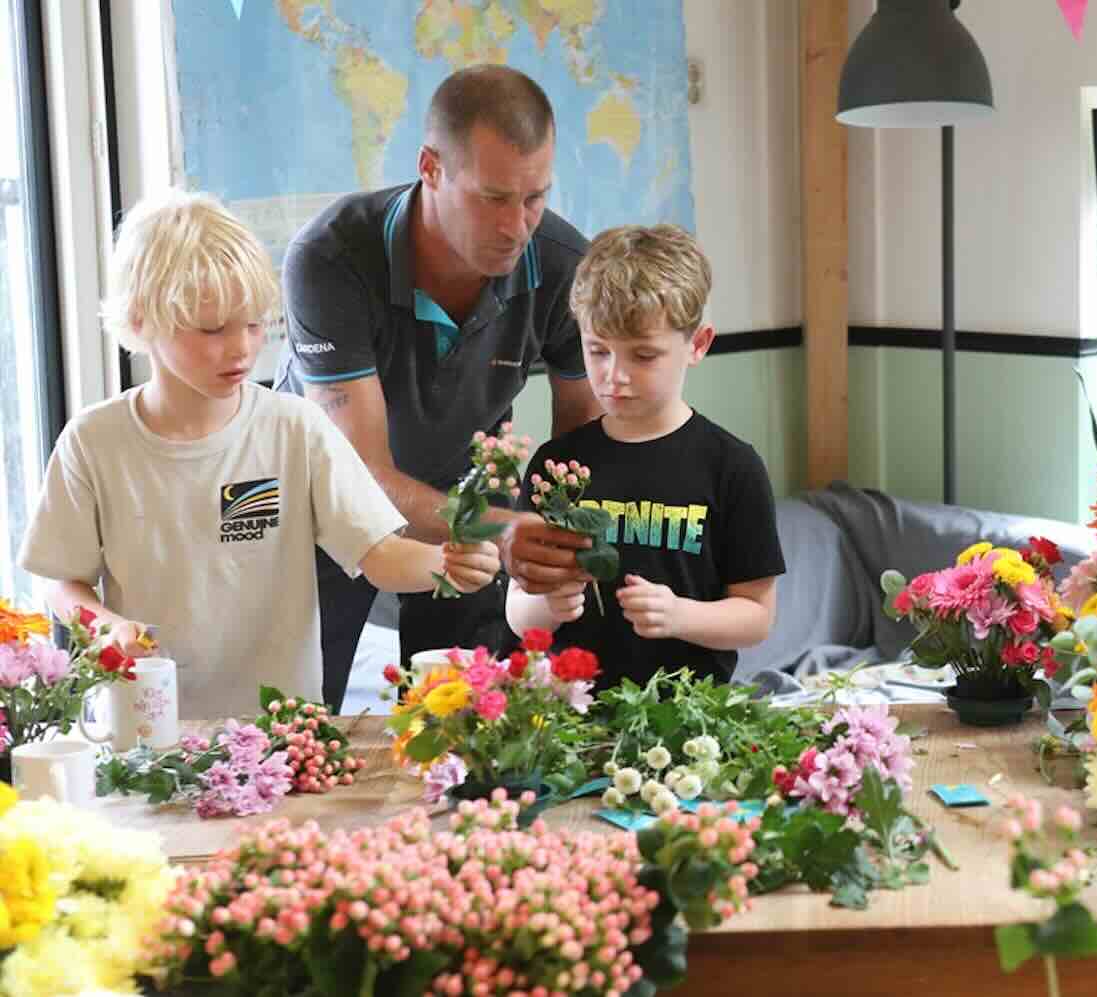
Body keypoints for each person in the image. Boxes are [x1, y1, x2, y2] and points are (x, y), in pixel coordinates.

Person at [19, 189, 500, 720]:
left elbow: (378, 554)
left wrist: (444, 563)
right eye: (212, 329)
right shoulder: (93, 441)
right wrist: (106, 626)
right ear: (140, 322)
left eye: (253, 324)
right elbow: (59, 579)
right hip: (146, 730)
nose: (242, 348)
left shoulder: (295, 427)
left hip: (281, 732)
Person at [274, 65, 603, 710]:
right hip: (322, 505)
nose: (518, 225)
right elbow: (358, 471)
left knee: (470, 726)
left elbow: (583, 452)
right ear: (431, 167)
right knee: (298, 724)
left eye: (535, 197)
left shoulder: (564, 264)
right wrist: (505, 530)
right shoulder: (329, 258)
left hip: (468, 500)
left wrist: (561, 543)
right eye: (493, 197)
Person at [505, 224, 784, 687]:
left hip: (690, 724)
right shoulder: (556, 466)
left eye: (644, 356)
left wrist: (681, 616)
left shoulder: (732, 467)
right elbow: (518, 608)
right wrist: (546, 607)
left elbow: (756, 616)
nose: (615, 376)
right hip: (569, 716)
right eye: (597, 351)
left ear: (697, 344)